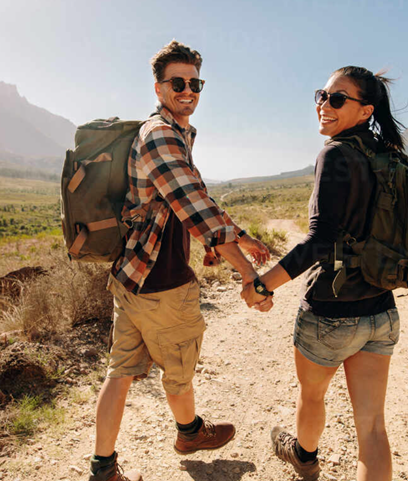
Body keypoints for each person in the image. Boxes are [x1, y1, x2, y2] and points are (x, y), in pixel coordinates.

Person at [241, 66, 408, 481]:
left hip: (330, 310)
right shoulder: (386, 156)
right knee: (372, 427)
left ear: (365, 111)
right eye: (321, 96)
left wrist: (262, 285)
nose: (325, 105)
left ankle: (304, 457)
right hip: (380, 311)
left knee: (312, 396)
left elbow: (319, 241)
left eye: (337, 98)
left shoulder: (336, 154)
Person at [88, 41, 271, 481]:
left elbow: (197, 197)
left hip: (131, 275)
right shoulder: (160, 135)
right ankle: (188, 434)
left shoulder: (175, 133)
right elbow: (198, 212)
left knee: (120, 372)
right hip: (162, 282)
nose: (188, 90)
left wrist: (243, 237)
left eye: (195, 83)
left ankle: (102, 468)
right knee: (179, 369)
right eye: (178, 83)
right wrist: (249, 276)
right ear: (159, 87)